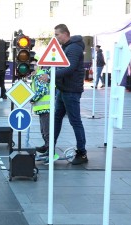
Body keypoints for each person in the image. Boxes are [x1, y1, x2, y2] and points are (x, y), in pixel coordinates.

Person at [42, 24, 88, 165]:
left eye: (57, 34)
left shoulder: (73, 48)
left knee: (75, 121)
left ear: (66, 34)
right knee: (56, 119)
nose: (55, 37)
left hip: (71, 90)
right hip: (63, 89)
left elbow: (70, 68)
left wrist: (50, 76)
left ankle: (82, 153)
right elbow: (58, 64)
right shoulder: (66, 47)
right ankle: (50, 147)